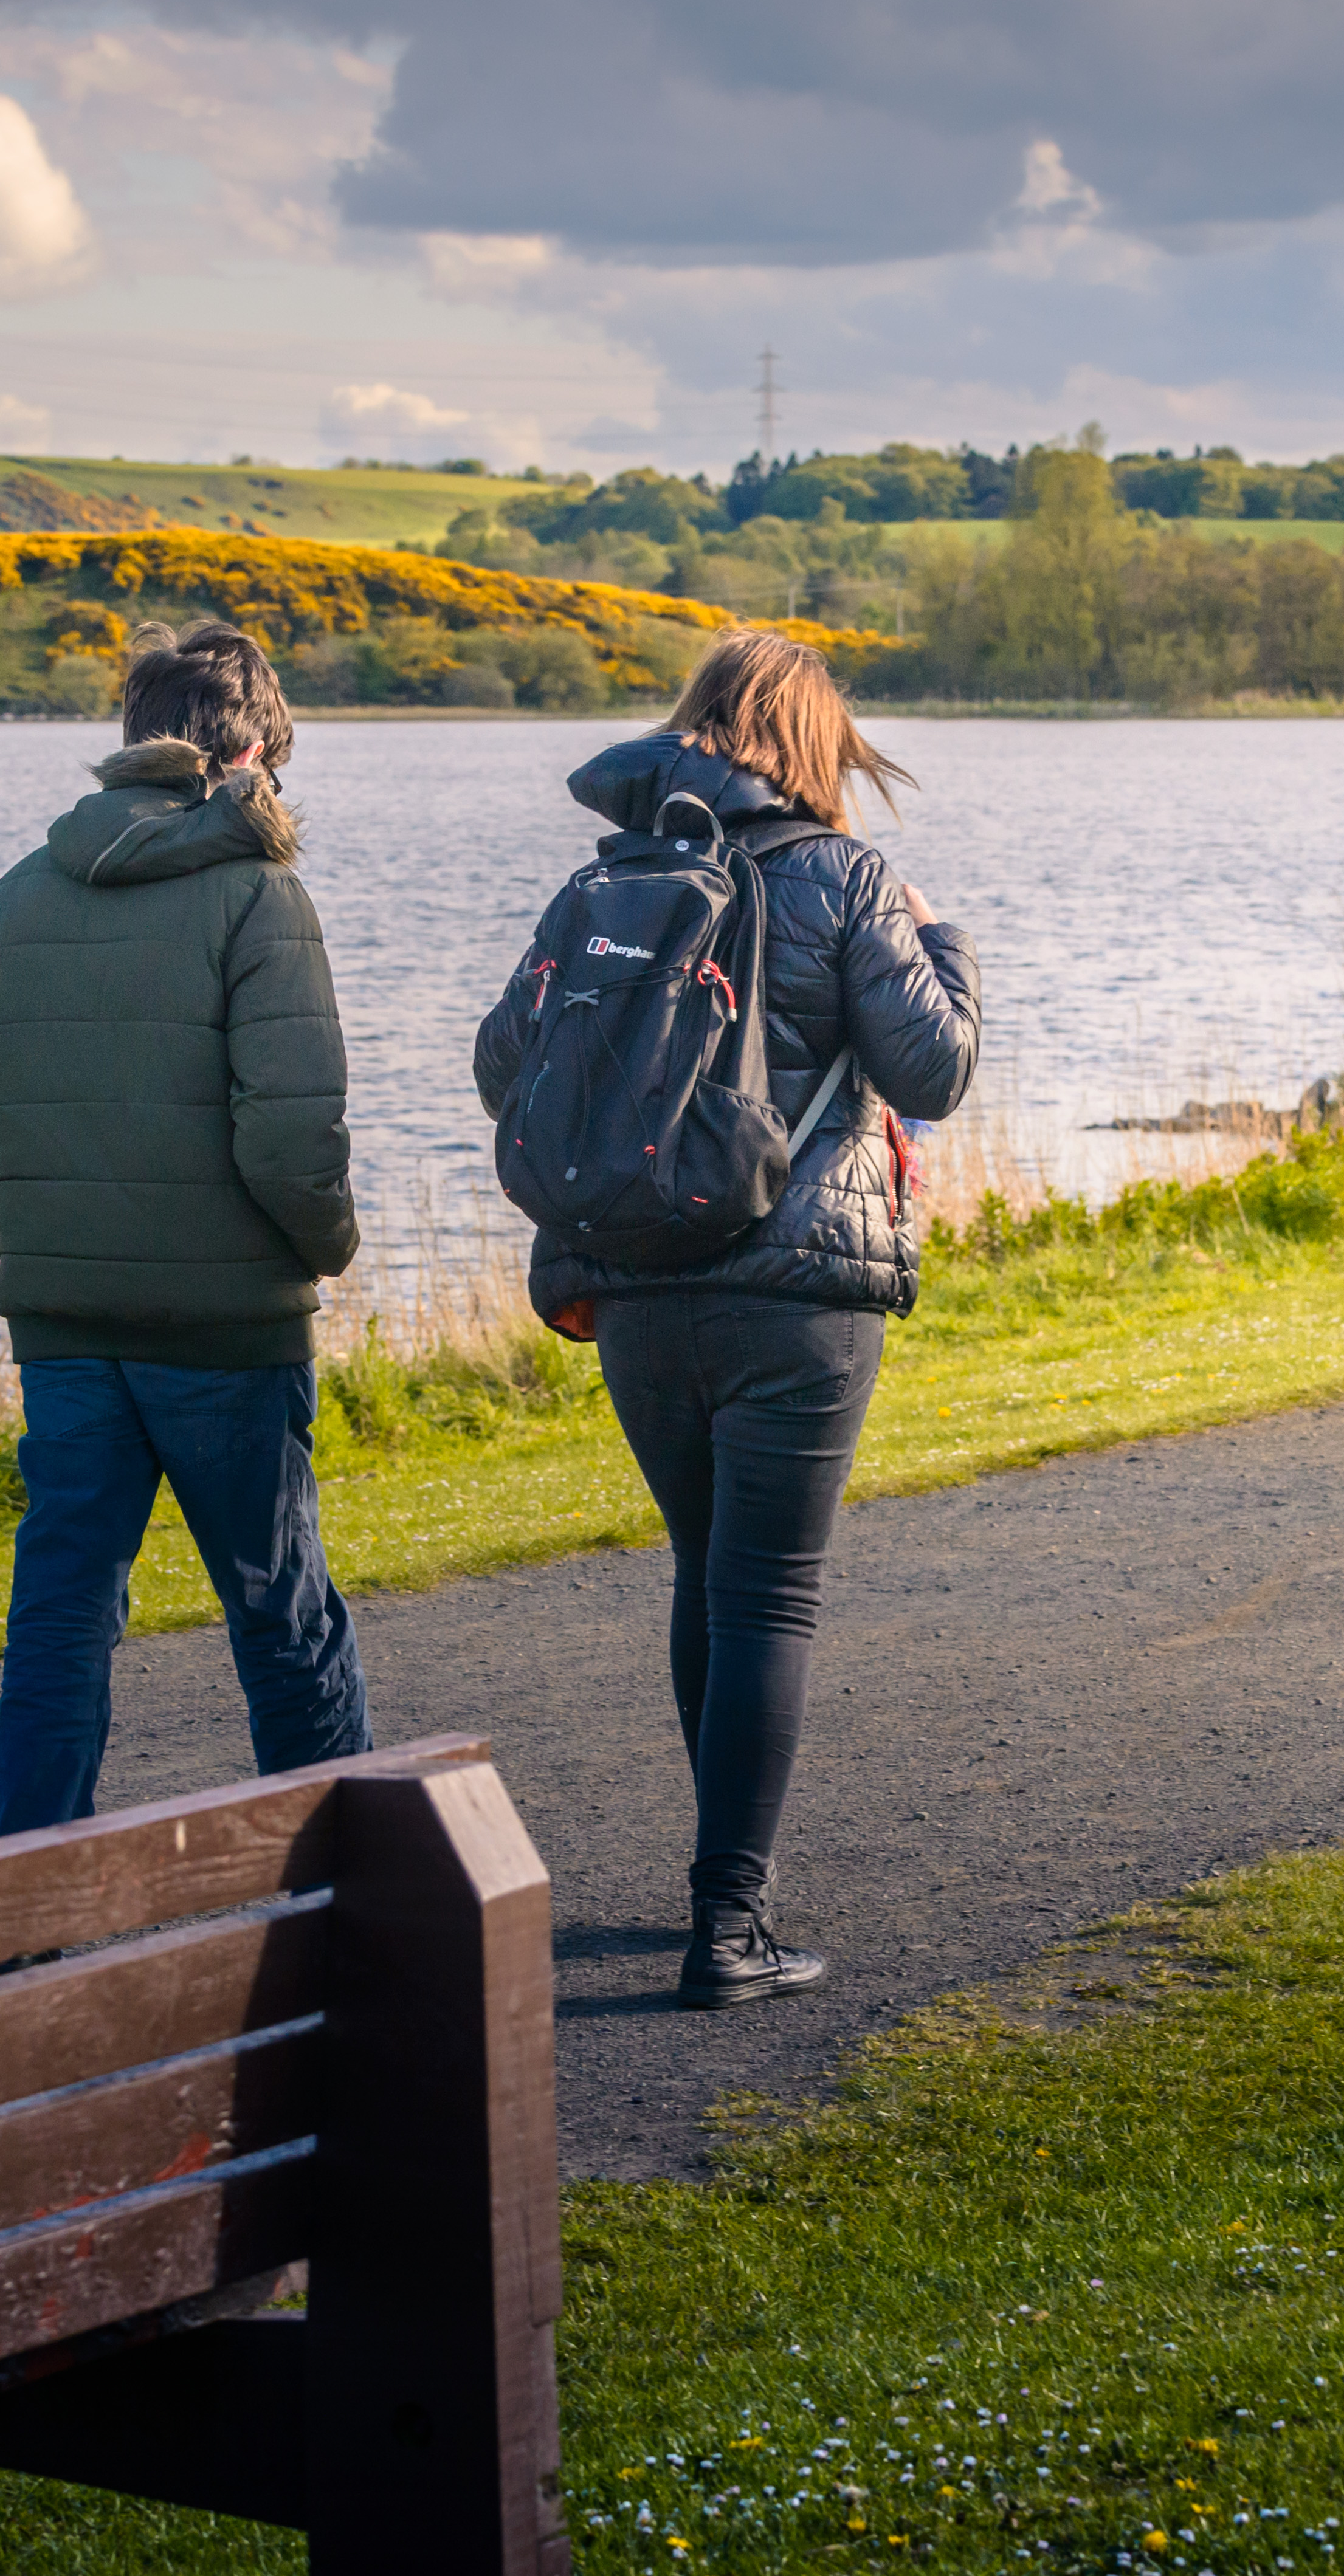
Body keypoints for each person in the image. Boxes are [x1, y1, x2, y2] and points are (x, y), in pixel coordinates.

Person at [476, 630, 980, 2008]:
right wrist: (941, 939)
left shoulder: (604, 884)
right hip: (797, 1292)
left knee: (708, 1577)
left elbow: (500, 1062)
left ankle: (721, 1893)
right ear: (814, 746)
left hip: (636, 1282)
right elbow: (929, 1071)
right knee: (769, 1592)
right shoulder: (845, 877)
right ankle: (729, 1925)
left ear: (695, 726)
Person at [0, 620, 372, 1832]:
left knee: (62, 1616)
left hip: (67, 1331)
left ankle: (21, 1911)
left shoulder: (11, 898)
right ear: (254, 754)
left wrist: (55, 1244)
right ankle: (348, 1887)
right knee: (283, 1615)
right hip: (228, 1331)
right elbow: (290, 1137)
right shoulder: (259, 901)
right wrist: (324, 1250)